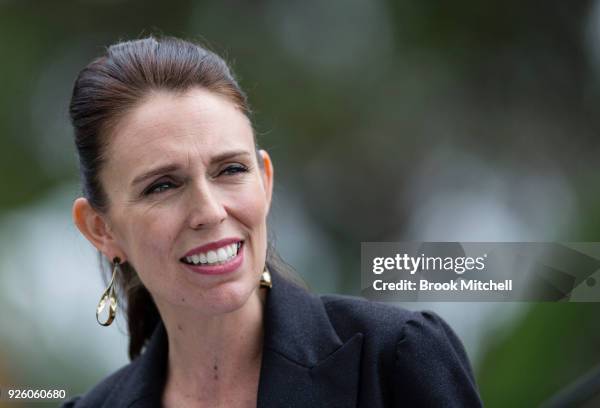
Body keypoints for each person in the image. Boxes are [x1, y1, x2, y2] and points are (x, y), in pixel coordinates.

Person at [62, 36, 482, 407]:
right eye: (162, 186)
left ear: (265, 180)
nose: (209, 212)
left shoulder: (392, 361)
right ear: (101, 229)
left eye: (230, 170)